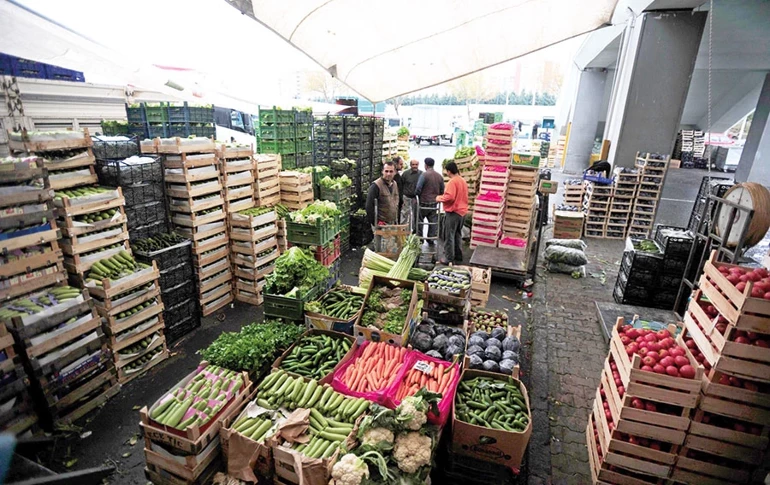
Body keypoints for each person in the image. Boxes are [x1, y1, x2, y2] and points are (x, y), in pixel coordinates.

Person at [436, 161, 468, 264]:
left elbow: (449, 197)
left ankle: (448, 258)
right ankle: (458, 256)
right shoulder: (462, 180)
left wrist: (439, 198)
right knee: (457, 234)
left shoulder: (452, 182)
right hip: (462, 212)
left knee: (449, 235)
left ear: (449, 171)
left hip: (453, 212)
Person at [415, 157, 444, 244]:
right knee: (433, 221)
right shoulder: (439, 176)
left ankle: (420, 238)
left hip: (423, 202)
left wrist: (417, 195)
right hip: (434, 202)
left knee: (420, 220)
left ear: (426, 165)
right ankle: (430, 238)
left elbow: (418, 188)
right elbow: (442, 190)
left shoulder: (424, 175)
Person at [365, 160, 399, 228]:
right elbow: (369, 206)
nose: (388, 174)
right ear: (382, 171)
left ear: (395, 172)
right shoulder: (376, 185)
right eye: (386, 171)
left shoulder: (395, 184)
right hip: (381, 224)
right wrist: (376, 222)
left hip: (393, 222)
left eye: (391, 171)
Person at [399, 159, 422, 227]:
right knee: (404, 214)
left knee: (416, 214)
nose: (415, 166)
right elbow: (401, 185)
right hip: (406, 197)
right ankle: (403, 229)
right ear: (410, 165)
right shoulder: (405, 174)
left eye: (416, 164)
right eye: (413, 164)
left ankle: (414, 230)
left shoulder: (421, 174)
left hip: (416, 198)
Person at [392, 156, 405, 222]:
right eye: (401, 164)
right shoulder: (394, 177)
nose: (402, 166)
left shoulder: (397, 175)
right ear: (395, 164)